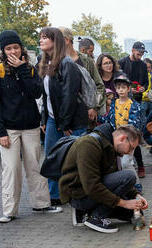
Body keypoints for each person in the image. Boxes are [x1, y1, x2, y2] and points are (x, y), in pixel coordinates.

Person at [0, 30, 62, 223]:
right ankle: (9, 210)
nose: (13, 51)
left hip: (31, 126)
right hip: (8, 128)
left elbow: (36, 92)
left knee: (34, 165)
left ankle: (41, 203)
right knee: (11, 168)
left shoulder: (30, 69)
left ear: (21, 49)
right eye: (8, 48)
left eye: (15, 47)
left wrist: (21, 69)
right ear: (2, 50)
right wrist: (1, 132)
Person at [59, 123, 148, 233]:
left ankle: (89, 212)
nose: (130, 153)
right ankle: (95, 217)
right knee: (129, 177)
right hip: (79, 195)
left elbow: (114, 178)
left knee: (133, 213)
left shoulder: (110, 146)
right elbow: (92, 186)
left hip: (93, 191)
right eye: (131, 148)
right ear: (122, 138)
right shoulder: (89, 144)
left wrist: (135, 195)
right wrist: (124, 203)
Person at [39, 27, 88, 205]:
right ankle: (55, 196)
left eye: (45, 38)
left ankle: (78, 195)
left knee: (75, 160)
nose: (41, 41)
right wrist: (44, 119)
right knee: (51, 158)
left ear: (56, 41)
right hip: (53, 120)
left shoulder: (66, 63)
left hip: (71, 122)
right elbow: (47, 96)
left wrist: (65, 124)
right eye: (41, 38)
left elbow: (70, 95)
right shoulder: (45, 63)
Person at [59, 27, 106, 127]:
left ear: (66, 40)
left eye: (56, 38)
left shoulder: (86, 61)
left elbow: (99, 86)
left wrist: (94, 107)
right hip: (63, 115)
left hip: (85, 117)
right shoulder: (56, 61)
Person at [119, 41, 148, 177]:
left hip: (137, 100)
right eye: (138, 52)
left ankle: (140, 164)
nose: (140, 55)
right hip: (124, 101)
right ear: (132, 50)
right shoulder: (123, 62)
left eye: (142, 53)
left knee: (135, 133)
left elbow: (146, 82)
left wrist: (143, 88)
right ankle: (128, 165)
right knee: (125, 133)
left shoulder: (142, 65)